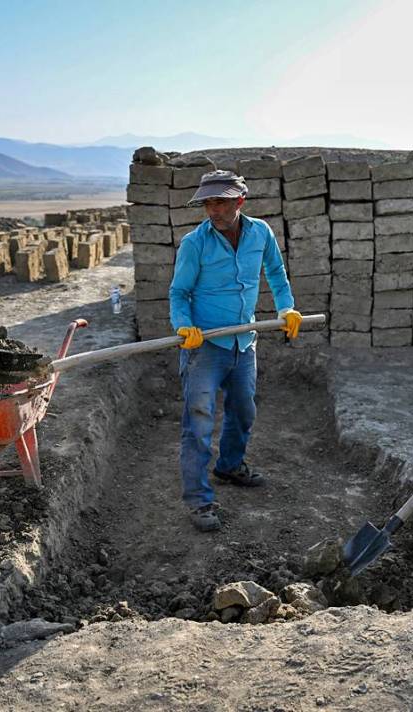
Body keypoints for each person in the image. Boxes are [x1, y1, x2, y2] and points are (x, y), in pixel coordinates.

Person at [169, 170, 302, 532]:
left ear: (240, 201)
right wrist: (183, 325)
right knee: (198, 423)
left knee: (244, 409)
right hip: (205, 346)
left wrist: (286, 308)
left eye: (221, 202)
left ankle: (229, 466)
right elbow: (179, 293)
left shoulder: (261, 233)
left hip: (244, 341)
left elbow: (276, 273)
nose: (213, 210)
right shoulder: (195, 244)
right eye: (208, 203)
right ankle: (199, 500)